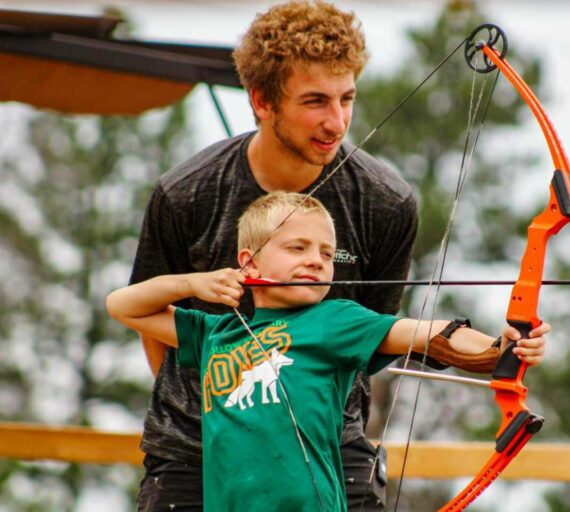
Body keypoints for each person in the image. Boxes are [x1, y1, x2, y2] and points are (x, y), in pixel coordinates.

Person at [128, 2, 414, 509]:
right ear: (262, 101)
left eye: (346, 98)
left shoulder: (386, 202)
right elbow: (154, 326)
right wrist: (235, 422)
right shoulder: (185, 193)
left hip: (327, 442)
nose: (337, 121)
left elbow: (376, 339)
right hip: (193, 444)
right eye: (314, 101)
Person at [110, 192, 549, 511]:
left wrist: (500, 350)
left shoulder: (334, 319)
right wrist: (190, 284)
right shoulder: (216, 332)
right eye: (297, 248)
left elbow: (424, 333)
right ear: (249, 263)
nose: (316, 261)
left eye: (326, 253)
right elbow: (122, 305)